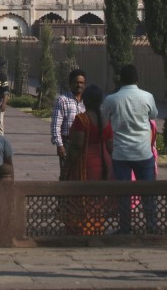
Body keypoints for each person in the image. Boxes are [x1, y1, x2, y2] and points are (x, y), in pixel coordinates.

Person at [101, 64, 159, 232]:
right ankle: (152, 226)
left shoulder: (112, 99)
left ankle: (125, 227)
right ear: (137, 79)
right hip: (143, 152)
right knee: (147, 192)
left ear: (120, 80)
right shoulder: (147, 97)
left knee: (124, 193)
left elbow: (105, 119)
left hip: (121, 153)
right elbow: (153, 115)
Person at [63, 84, 110, 235]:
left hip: (85, 163)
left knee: (82, 196)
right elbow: (111, 146)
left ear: (84, 100)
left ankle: (81, 228)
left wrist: (66, 166)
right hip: (102, 162)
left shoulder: (82, 119)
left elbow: (77, 145)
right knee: (96, 199)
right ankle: (95, 227)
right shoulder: (105, 120)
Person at [52, 69, 87, 177]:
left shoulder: (86, 101)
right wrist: (59, 145)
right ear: (70, 84)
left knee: (81, 174)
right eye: (76, 82)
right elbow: (56, 124)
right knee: (66, 173)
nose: (79, 85)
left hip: (83, 143)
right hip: (67, 143)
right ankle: (64, 194)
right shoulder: (62, 100)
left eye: (82, 83)